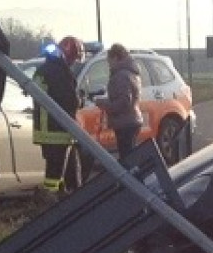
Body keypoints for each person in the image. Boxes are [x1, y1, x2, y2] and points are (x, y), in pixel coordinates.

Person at [33, 35, 85, 192]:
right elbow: (70, 101)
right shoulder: (61, 73)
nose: (73, 63)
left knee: (59, 172)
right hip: (58, 130)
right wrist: (80, 99)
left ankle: (61, 196)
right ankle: (52, 199)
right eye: (74, 59)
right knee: (55, 174)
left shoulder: (42, 70)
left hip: (44, 130)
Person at [94, 43, 143, 158]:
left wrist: (102, 103)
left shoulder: (121, 75)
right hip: (130, 121)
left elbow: (124, 103)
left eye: (109, 60)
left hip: (125, 123)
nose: (108, 64)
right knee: (129, 157)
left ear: (115, 58)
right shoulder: (130, 72)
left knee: (126, 158)